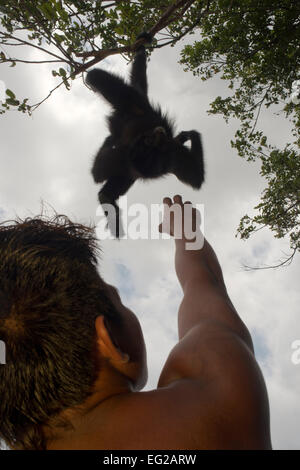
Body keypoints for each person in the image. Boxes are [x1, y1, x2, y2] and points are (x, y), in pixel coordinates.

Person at [0, 195, 272, 450]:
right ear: (108, 342)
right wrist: (186, 232)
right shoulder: (212, 404)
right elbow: (203, 283)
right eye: (118, 298)